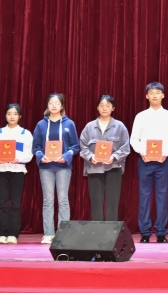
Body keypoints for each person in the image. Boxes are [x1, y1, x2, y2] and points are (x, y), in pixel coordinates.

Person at [130, 82, 168, 243]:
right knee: (144, 196)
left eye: (158, 92)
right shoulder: (141, 116)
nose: (155, 95)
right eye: (151, 92)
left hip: (163, 161)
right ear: (147, 96)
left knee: (162, 196)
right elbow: (134, 139)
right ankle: (145, 232)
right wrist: (142, 152)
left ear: (163, 95)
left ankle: (161, 232)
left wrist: (167, 153)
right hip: (145, 161)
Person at [32, 94, 80, 244]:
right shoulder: (41, 124)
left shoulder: (69, 124)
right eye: (51, 103)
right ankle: (48, 233)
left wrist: (65, 156)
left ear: (62, 106)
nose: (54, 106)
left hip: (63, 167)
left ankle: (62, 234)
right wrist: (41, 156)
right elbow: (36, 147)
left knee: (63, 200)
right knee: (48, 200)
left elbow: (75, 146)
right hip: (46, 167)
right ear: (47, 105)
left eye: (57, 103)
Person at [79, 95, 131, 221]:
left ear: (113, 108)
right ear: (97, 107)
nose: (104, 108)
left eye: (108, 106)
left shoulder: (120, 126)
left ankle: (111, 231)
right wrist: (91, 157)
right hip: (94, 168)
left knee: (112, 204)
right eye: (101, 105)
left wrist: (114, 157)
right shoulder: (89, 127)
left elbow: (125, 148)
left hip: (113, 168)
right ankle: (97, 231)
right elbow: (83, 147)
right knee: (96, 204)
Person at [0, 104, 33, 244]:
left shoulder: (26, 133)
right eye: (9, 113)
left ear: (20, 116)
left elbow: (29, 154)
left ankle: (13, 233)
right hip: (2, 171)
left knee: (15, 203)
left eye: (15, 114)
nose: (12, 116)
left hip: (18, 172)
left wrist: (18, 159)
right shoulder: (0, 132)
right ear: (5, 116)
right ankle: (2, 233)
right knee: (2, 203)